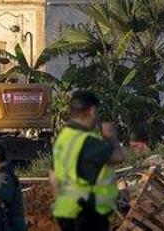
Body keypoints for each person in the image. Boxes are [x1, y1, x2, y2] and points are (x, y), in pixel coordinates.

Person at [50, 91, 124, 231]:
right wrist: (111, 137)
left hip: (66, 212)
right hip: (87, 214)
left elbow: (53, 176)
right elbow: (118, 157)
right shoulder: (87, 142)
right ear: (91, 111)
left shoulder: (63, 139)